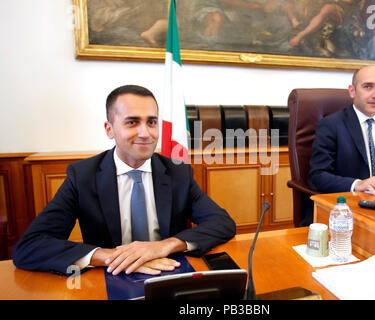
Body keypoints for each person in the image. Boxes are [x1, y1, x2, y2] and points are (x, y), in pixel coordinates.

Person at [13, 85, 236, 276]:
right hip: (110, 276)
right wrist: (113, 257)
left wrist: (162, 247)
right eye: (132, 123)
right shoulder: (82, 176)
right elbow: (30, 246)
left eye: (151, 122)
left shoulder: (178, 172)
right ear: (110, 130)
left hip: (168, 271)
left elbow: (222, 223)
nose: (145, 133)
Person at [308, 66, 375, 195]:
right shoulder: (331, 125)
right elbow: (317, 176)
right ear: (352, 91)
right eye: (368, 86)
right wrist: (358, 184)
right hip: (349, 203)